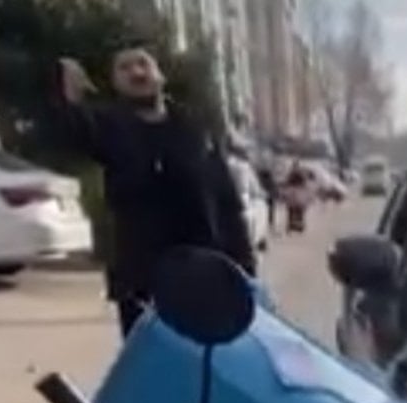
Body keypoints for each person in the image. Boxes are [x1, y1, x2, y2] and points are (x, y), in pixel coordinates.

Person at [55, 46, 256, 337]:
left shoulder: (194, 129)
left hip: (207, 273)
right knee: (154, 367)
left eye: (143, 64)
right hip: (143, 282)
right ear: (114, 82)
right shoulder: (109, 127)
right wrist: (71, 101)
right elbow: (74, 136)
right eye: (124, 68)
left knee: (209, 364)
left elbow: (226, 200)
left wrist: (245, 266)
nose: (136, 72)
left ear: (160, 75)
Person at [282, 161, 313, 234]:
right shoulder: (299, 174)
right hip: (298, 194)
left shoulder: (292, 174)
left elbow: (287, 183)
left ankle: (292, 226)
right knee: (298, 211)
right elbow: (304, 183)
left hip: (293, 194)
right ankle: (297, 226)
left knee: (292, 211)